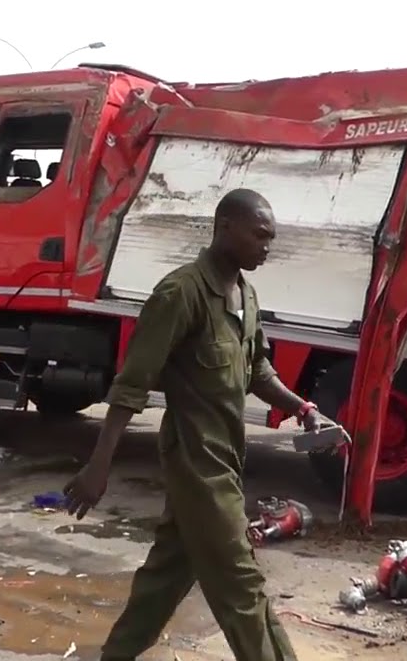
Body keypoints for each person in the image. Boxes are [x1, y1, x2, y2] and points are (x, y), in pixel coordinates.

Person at [64, 188, 328, 661]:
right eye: (259, 235)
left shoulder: (244, 294)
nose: (266, 246)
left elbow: (258, 371)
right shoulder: (180, 294)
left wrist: (303, 408)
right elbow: (130, 388)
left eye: (271, 238)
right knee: (241, 585)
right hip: (196, 465)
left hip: (225, 461)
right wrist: (98, 467)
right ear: (225, 227)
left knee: (164, 579)